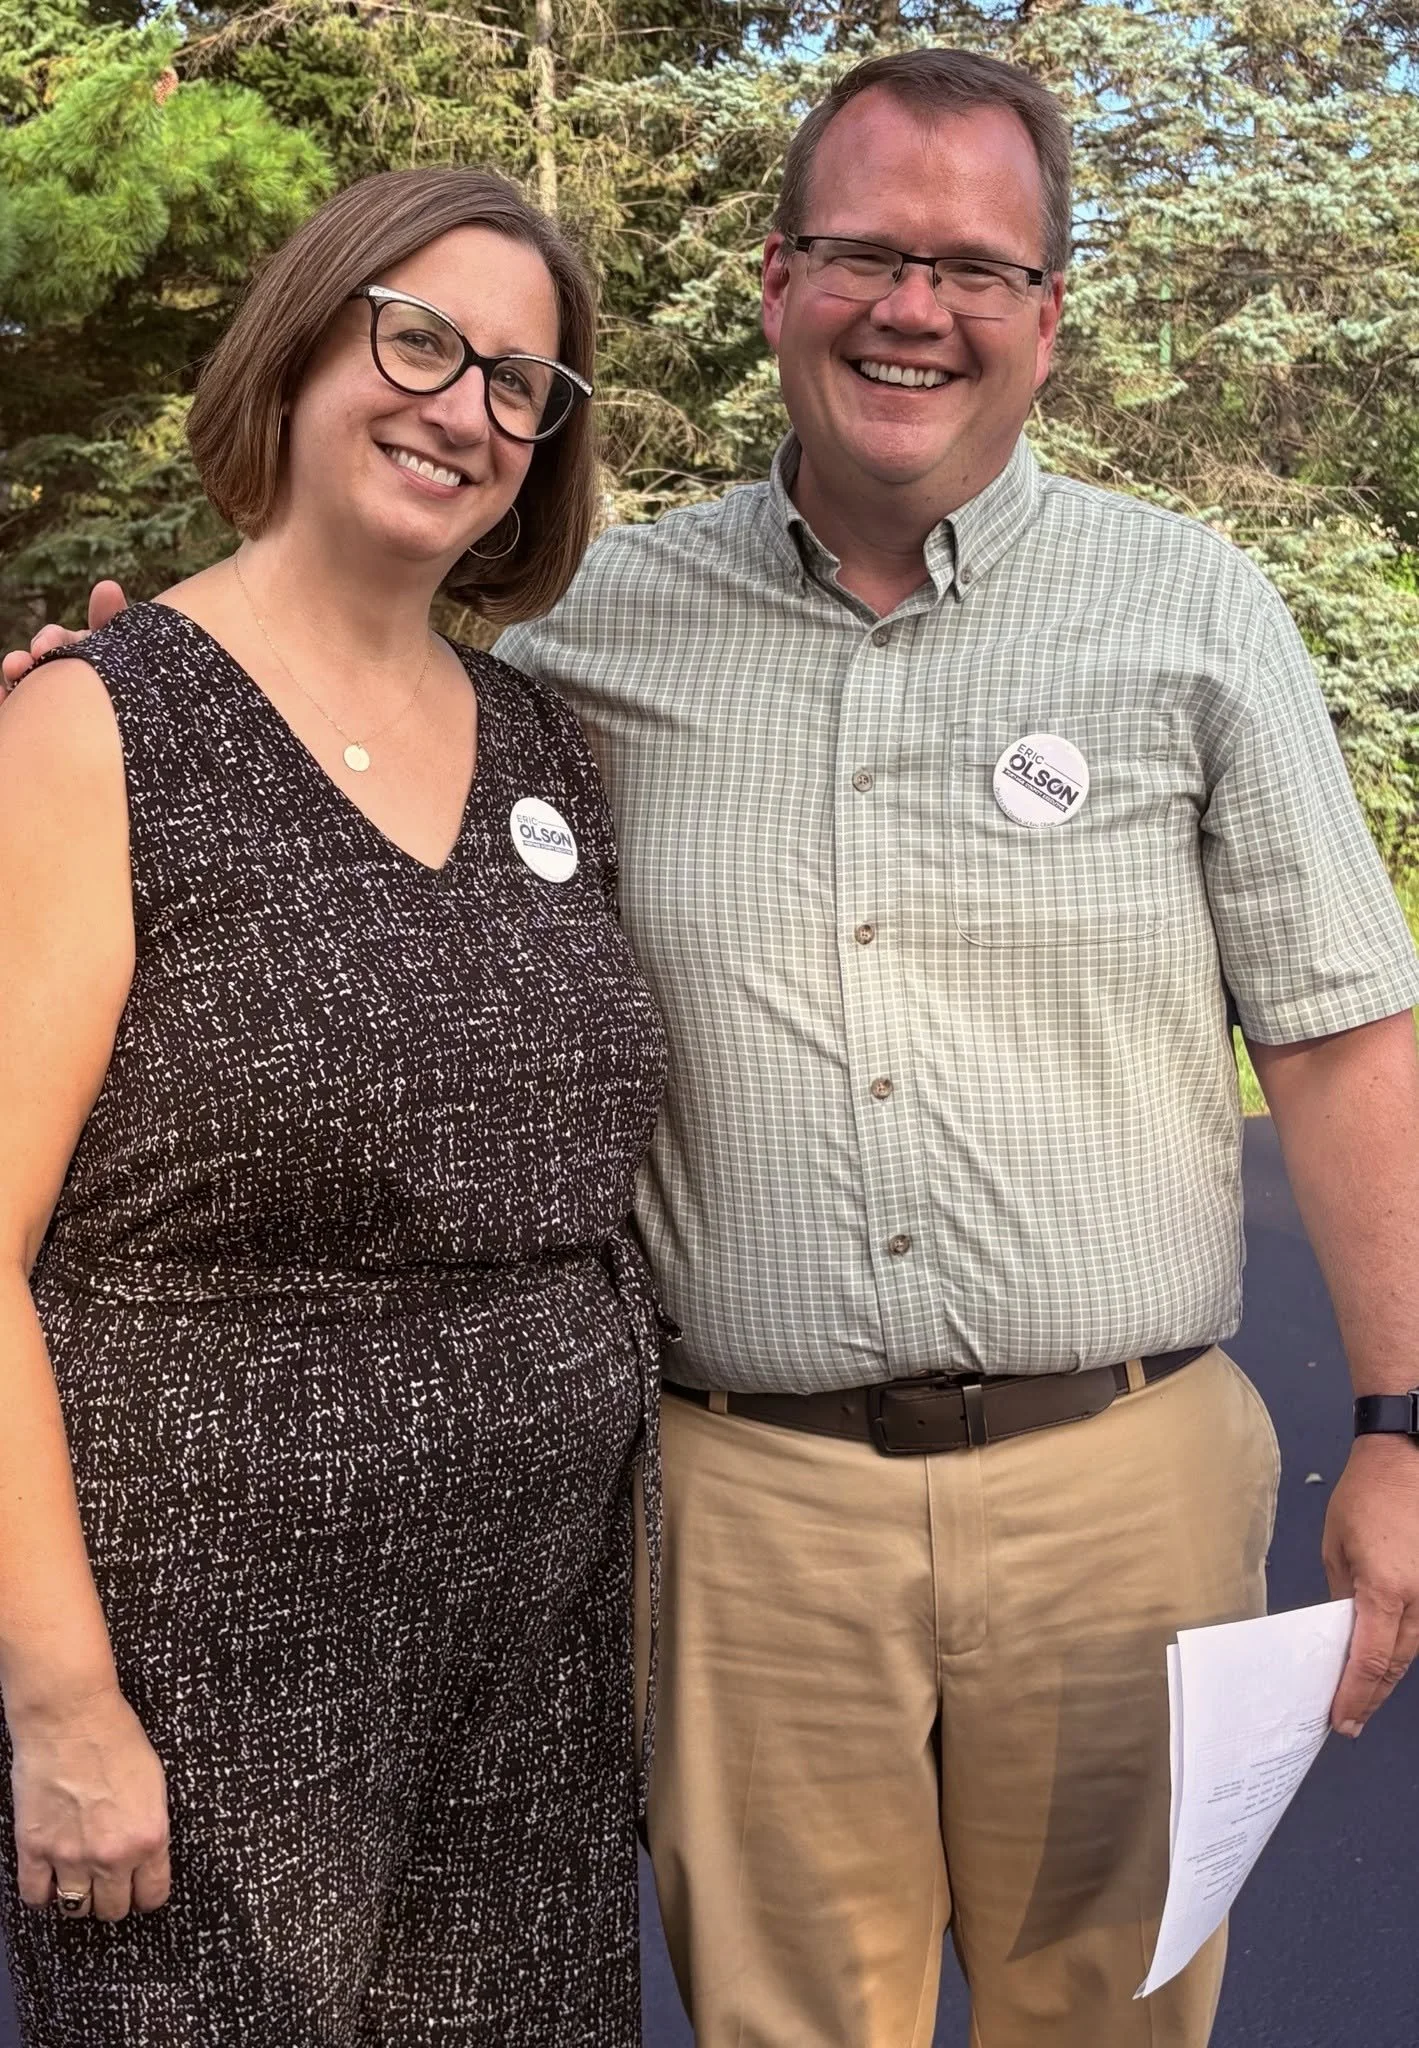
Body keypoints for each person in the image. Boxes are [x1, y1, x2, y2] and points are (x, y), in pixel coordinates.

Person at [10, 45, 1419, 2048]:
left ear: (1046, 317)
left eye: (974, 267)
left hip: (1124, 1493)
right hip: (739, 1518)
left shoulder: (1191, 612)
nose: (912, 307)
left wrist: (1398, 1422)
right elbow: (303, 699)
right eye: (863, 253)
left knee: (1109, 2020)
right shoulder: (586, 638)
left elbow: (1343, 1029)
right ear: (775, 282)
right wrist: (104, 693)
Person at [0, 166, 666, 2048]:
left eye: (522, 384)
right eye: (423, 341)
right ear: (300, 347)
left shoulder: (544, 746)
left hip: (532, 1677)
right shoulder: (94, 727)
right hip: (208, 1681)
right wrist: (60, 1706)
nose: (467, 408)